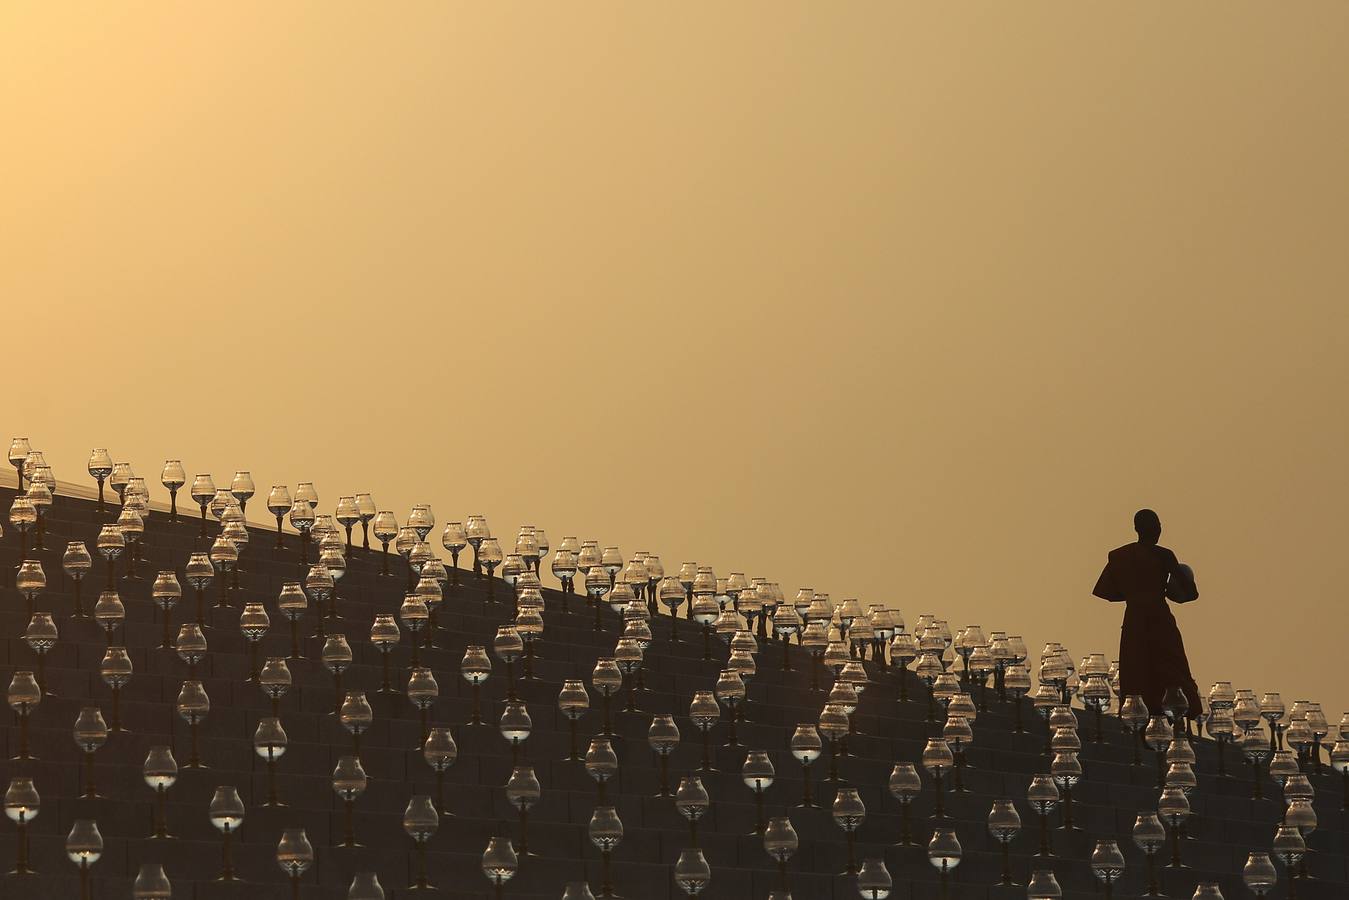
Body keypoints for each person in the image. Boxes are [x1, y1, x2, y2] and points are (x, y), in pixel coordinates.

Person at [1092, 509, 1202, 720]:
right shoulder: (1164, 555)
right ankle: (1175, 713)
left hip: (1134, 619)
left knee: (1137, 668)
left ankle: (1139, 716)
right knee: (1170, 666)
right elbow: (1190, 593)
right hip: (1159, 619)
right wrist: (1168, 591)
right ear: (1157, 529)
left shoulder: (1120, 556)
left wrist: (1132, 593)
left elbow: (1105, 591)